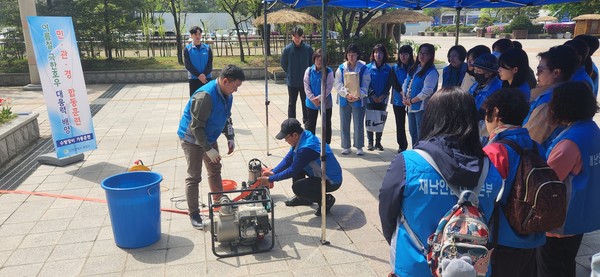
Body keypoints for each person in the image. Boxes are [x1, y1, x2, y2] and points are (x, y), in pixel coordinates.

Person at [379, 87, 503, 277]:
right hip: (473, 270)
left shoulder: (407, 163)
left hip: (416, 267)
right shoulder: (490, 169)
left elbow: (387, 214)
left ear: (431, 118)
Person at [537, 81, 600, 277]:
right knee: (566, 263)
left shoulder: (569, 142)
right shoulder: (592, 130)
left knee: (549, 268)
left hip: (559, 221)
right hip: (581, 215)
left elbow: (547, 181)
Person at [482, 89, 546, 277]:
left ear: (495, 113)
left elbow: (486, 196)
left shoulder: (496, 151)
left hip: (503, 240)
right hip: (532, 235)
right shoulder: (535, 146)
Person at [177, 65, 245, 228]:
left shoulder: (228, 94)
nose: (236, 90)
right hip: (192, 138)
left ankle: (219, 203)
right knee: (194, 176)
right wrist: (208, 149)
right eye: (235, 86)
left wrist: (230, 136)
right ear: (225, 81)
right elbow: (196, 127)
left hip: (209, 135)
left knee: (215, 169)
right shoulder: (205, 96)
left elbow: (227, 117)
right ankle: (193, 214)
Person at [258, 118, 343, 216]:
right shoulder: (303, 135)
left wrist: (270, 179)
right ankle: (303, 199)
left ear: (295, 135)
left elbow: (292, 171)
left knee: (298, 188)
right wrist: (274, 172)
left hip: (331, 181)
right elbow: (289, 158)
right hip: (322, 173)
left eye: (286, 138)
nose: (285, 141)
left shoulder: (306, 148)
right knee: (297, 163)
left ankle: (326, 200)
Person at [523, 45, 578, 148]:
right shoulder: (569, 92)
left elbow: (528, 140)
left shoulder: (548, 104)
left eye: (540, 71)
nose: (537, 74)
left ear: (556, 72)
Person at [334, 43, 371, 155]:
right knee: (344, 123)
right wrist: (346, 95)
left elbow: (366, 84)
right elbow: (337, 83)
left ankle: (359, 146)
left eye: (353, 55)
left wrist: (358, 95)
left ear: (357, 55)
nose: (351, 57)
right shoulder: (341, 68)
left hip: (358, 100)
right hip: (344, 99)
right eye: (349, 54)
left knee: (358, 123)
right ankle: (346, 146)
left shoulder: (364, 68)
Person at [402, 43, 438, 146]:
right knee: (412, 132)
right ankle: (415, 151)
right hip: (410, 107)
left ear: (431, 56)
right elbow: (406, 82)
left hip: (421, 108)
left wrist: (411, 101)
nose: (421, 56)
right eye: (420, 53)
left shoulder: (431, 72)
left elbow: (426, 92)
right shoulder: (415, 68)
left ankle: (421, 154)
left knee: (421, 134)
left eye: (425, 54)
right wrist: (404, 96)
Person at [281, 26, 314, 125]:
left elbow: (311, 64)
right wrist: (290, 72)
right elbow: (283, 64)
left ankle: (306, 120)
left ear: (302, 37)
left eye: (299, 37)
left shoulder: (308, 49)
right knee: (292, 103)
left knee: (306, 102)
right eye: (295, 37)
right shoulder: (287, 50)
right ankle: (291, 122)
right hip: (292, 81)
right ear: (292, 37)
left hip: (305, 81)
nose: (297, 39)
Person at [303, 49, 333, 144]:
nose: (319, 61)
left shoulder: (329, 72)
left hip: (325, 102)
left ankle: (326, 144)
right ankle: (310, 143)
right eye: (317, 59)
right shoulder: (309, 70)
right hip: (311, 102)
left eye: (321, 59)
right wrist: (312, 98)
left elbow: (328, 87)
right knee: (310, 124)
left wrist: (319, 98)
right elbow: (306, 85)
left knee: (326, 124)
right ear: (314, 59)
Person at [366, 44, 392, 151]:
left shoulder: (388, 69)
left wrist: (383, 95)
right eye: (376, 52)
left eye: (380, 53)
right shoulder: (367, 68)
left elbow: (389, 83)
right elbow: (365, 83)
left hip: (383, 98)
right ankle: (370, 142)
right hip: (370, 98)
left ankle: (378, 142)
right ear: (373, 54)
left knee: (380, 119)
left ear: (384, 54)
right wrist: (373, 95)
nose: (378, 55)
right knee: (370, 119)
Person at [389, 45, 414, 153]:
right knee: (400, 124)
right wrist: (402, 92)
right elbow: (394, 83)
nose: (403, 56)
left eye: (406, 54)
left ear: (410, 55)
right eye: (401, 54)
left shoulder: (414, 67)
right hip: (398, 100)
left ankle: (416, 145)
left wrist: (408, 94)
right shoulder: (394, 68)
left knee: (413, 125)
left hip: (412, 100)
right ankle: (402, 145)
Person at [469, 53, 503, 119]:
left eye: (479, 71)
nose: (475, 73)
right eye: (475, 70)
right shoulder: (478, 83)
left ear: (490, 72)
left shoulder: (498, 89)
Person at [184, 26, 214, 97]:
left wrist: (204, 74)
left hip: (206, 78)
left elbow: (210, 64)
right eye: (195, 34)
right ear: (191, 35)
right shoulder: (187, 49)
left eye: (199, 34)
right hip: (194, 79)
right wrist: (199, 75)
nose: (198, 36)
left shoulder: (207, 48)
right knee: (194, 101)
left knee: (208, 100)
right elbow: (188, 65)